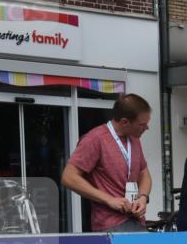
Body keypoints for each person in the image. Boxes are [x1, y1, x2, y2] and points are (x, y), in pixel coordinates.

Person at [62, 94, 153, 232]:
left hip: (137, 221)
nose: (147, 128)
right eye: (142, 124)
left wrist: (143, 197)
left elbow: (144, 173)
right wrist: (109, 199)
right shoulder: (95, 139)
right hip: (111, 225)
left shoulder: (134, 139)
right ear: (124, 122)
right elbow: (68, 177)